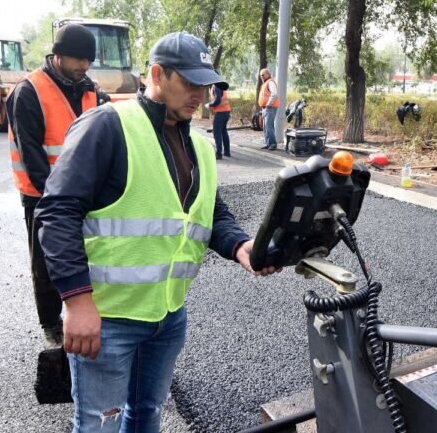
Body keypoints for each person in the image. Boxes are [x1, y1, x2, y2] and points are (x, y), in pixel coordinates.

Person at [34, 32, 280, 432]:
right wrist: (76, 302)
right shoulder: (108, 126)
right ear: (157, 74)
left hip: (167, 316)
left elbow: (210, 213)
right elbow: (57, 212)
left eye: (205, 84)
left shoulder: (199, 146)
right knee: (99, 426)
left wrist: (241, 246)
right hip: (108, 317)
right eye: (189, 82)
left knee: (147, 414)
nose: (200, 93)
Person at [6, 23, 106, 349]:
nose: (83, 66)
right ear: (58, 55)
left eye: (88, 60)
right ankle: (51, 323)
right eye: (77, 59)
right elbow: (33, 157)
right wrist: (58, 200)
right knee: (46, 263)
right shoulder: (29, 92)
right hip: (41, 196)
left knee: (88, 253)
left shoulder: (90, 90)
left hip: (85, 194)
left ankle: (85, 309)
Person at [258, 68, 279, 150]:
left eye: (263, 75)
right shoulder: (265, 83)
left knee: (269, 126)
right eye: (260, 75)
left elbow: (275, 94)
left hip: (270, 107)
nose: (261, 77)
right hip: (266, 108)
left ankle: (273, 144)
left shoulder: (270, 82)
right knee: (265, 126)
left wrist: (268, 104)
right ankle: (268, 143)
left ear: (268, 74)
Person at [208, 83, 231, 159]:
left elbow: (217, 100)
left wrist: (210, 104)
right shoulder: (220, 85)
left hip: (220, 112)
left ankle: (219, 153)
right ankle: (227, 152)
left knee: (217, 132)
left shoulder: (216, 86)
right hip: (226, 111)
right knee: (223, 131)